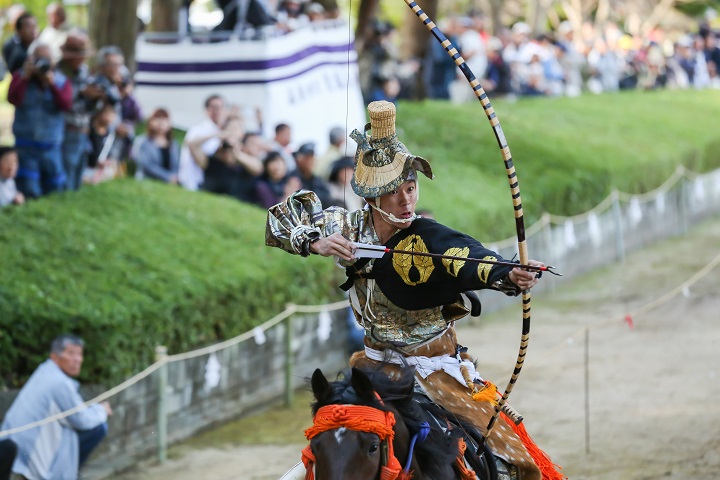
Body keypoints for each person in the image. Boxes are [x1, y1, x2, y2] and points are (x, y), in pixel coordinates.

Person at [266, 101, 562, 480]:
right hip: (372, 369)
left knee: (515, 462)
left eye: (411, 188)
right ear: (372, 198)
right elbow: (279, 219)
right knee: (308, 465)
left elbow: (467, 259)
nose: (407, 201)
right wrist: (314, 242)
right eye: (395, 193)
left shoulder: (427, 238)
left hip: (436, 374)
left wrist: (507, 274)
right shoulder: (345, 227)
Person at [0, 334, 112, 480]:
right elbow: (81, 420)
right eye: (71, 353)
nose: (77, 359)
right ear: (54, 356)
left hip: (13, 452)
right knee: (99, 428)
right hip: (30, 462)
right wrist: (102, 410)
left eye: (79, 354)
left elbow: (76, 411)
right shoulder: (59, 383)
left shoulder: (44, 371)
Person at [8, 42, 72, 199]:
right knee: (29, 188)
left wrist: (51, 85)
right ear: (31, 59)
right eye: (39, 59)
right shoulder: (20, 76)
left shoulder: (62, 81)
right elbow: (13, 98)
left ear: (53, 61)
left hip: (51, 146)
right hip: (25, 145)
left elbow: (66, 104)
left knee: (54, 187)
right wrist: (25, 77)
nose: (43, 63)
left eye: (47, 59)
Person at [57, 31, 95, 191]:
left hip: (84, 128)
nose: (82, 59)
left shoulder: (85, 71)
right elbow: (60, 101)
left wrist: (94, 97)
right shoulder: (57, 72)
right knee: (67, 167)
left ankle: (73, 198)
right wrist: (80, 93)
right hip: (65, 129)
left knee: (79, 168)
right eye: (79, 55)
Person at [178, 94, 226, 191]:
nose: (218, 111)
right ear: (207, 110)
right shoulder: (197, 130)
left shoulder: (222, 131)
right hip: (193, 181)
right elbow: (192, 146)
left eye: (221, 107)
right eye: (215, 107)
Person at [132, 108, 180, 184]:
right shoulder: (142, 141)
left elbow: (176, 166)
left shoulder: (174, 144)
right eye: (157, 119)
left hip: (169, 185)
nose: (161, 123)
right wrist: (168, 177)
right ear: (150, 122)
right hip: (146, 181)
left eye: (164, 119)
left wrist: (174, 177)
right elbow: (147, 166)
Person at [289, 142, 331, 206]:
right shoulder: (292, 178)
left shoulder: (316, 179)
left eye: (312, 158)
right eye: (307, 158)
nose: (310, 161)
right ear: (298, 159)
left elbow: (327, 197)